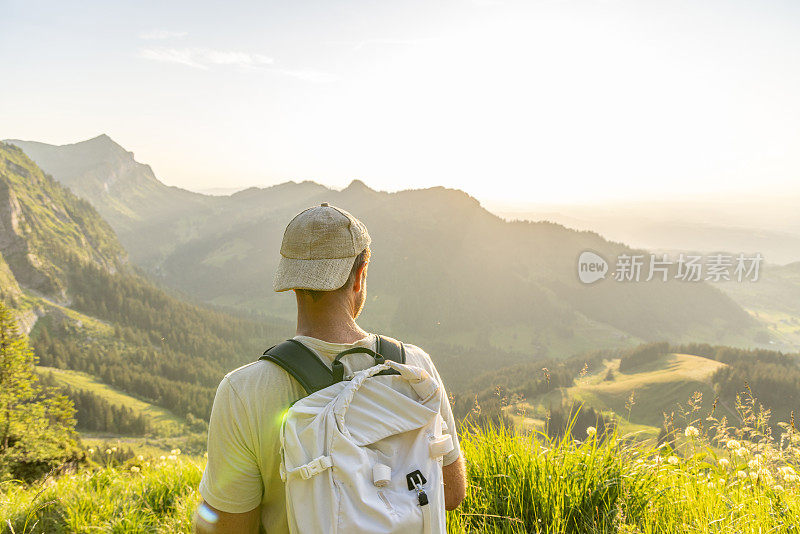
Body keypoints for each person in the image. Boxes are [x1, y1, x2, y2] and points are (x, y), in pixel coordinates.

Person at [196, 203, 467, 533]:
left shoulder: (243, 392)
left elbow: (230, 528)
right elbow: (451, 493)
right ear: (361, 273)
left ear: (292, 280)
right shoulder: (415, 368)